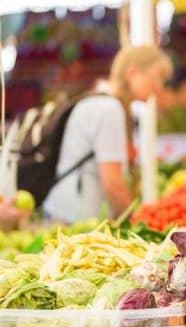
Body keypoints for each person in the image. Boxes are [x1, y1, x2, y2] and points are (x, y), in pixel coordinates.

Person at [43, 46, 172, 222]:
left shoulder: (100, 101)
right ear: (132, 72)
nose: (159, 87)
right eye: (158, 77)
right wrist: (134, 223)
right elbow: (113, 183)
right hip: (74, 220)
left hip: (69, 213)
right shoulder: (109, 109)